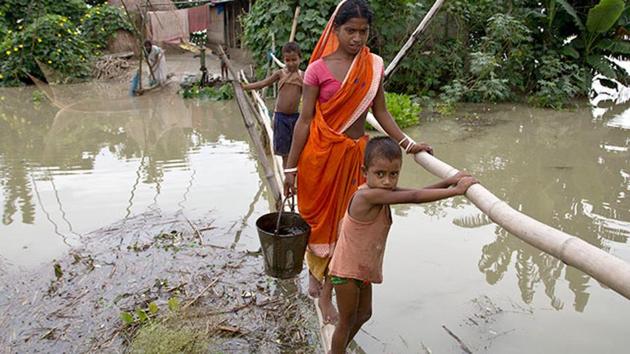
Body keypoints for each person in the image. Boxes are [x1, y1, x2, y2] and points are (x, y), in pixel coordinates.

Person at [283, 0, 433, 324]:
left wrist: (408, 144)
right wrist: (290, 168)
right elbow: (304, 122)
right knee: (319, 221)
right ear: (335, 30)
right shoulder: (317, 69)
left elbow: (381, 112)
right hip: (320, 158)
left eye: (363, 31)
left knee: (347, 228)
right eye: (350, 30)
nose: (357, 38)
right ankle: (315, 271)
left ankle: (326, 297)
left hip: (356, 159)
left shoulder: (373, 65)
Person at [328, 136, 478, 353]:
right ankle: (336, 351)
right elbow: (415, 196)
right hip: (347, 273)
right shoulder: (368, 196)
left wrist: (449, 181)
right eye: (380, 174)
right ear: (364, 172)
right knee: (346, 320)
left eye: (393, 174)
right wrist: (456, 190)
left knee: (364, 315)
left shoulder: (382, 192)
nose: (388, 181)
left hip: (361, 271)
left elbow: (416, 192)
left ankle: (337, 350)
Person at [242, 42, 303, 167]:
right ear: (283, 60)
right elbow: (263, 83)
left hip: (296, 118)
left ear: (300, 59)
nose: (291, 63)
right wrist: (245, 87)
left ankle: (294, 175)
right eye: (287, 60)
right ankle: (287, 175)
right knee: (284, 152)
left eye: (294, 60)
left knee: (296, 149)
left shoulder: (303, 76)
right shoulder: (280, 74)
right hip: (281, 117)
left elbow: (310, 95)